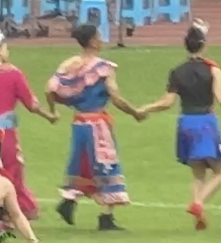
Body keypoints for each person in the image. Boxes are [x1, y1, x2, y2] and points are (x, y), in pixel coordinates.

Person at [134, 22, 221, 230]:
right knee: (220, 171)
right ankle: (198, 204)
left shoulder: (177, 71)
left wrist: (145, 108)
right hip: (206, 122)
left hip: (185, 122)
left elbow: (166, 102)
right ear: (204, 44)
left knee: (198, 173)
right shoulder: (212, 69)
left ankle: (198, 215)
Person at [46, 23, 146, 230]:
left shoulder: (70, 64)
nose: (101, 39)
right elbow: (115, 97)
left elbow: (50, 90)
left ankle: (69, 201)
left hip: (79, 123)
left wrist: (55, 109)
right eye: (98, 36)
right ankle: (106, 216)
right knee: (106, 165)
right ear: (92, 40)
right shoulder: (103, 68)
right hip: (98, 124)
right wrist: (134, 112)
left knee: (81, 163)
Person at [0, 20, 54, 221]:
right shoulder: (13, 73)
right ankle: (16, 209)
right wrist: (49, 116)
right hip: (6, 133)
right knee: (12, 170)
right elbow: (32, 104)